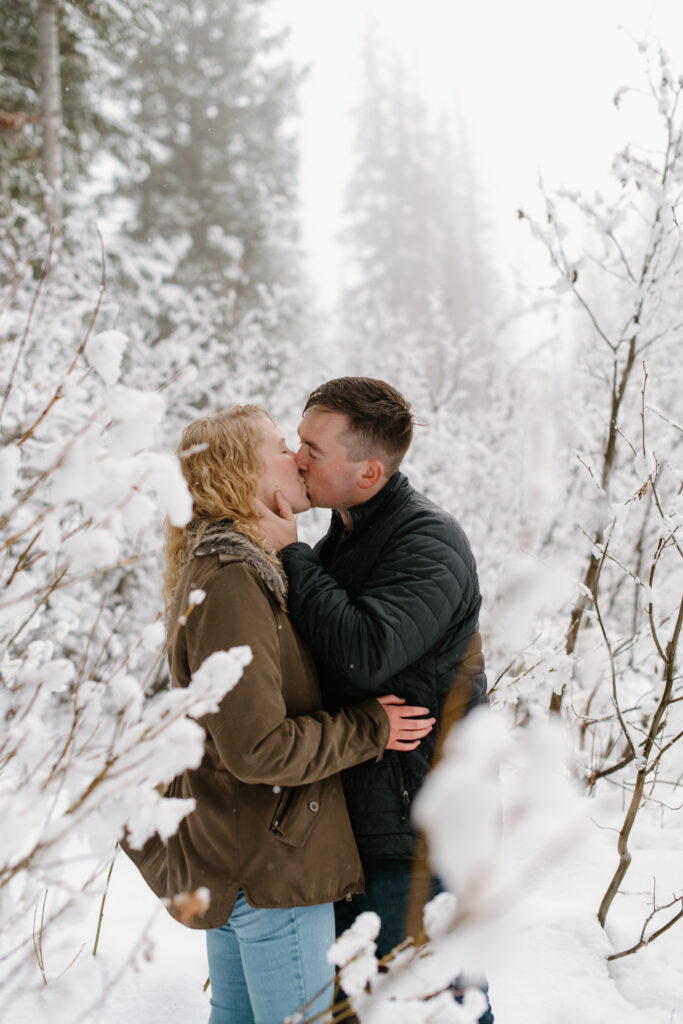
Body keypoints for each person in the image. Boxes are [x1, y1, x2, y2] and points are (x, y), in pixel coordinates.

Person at [123, 405, 436, 1024]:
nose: (296, 456)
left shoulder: (234, 567)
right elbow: (257, 747)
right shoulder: (235, 577)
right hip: (271, 868)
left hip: (252, 856)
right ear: (243, 473)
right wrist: (370, 727)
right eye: (278, 447)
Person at [256, 377, 493, 1020]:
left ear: (369, 472)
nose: (297, 457)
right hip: (361, 823)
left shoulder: (429, 542)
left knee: (438, 1007)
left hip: (418, 838)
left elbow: (366, 652)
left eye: (312, 447)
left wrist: (291, 557)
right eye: (297, 440)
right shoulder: (345, 537)